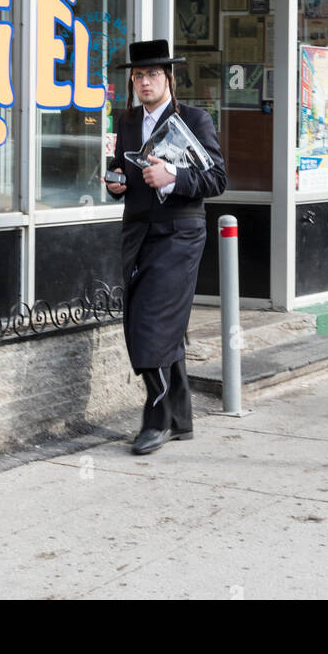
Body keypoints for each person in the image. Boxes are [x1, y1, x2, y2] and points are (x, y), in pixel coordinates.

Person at [104, 38, 227, 455]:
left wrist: (174, 177)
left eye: (153, 74)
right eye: (138, 75)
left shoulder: (195, 118)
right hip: (137, 233)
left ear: (169, 78)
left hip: (180, 234)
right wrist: (116, 182)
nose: (144, 81)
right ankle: (181, 420)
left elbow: (216, 180)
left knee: (150, 324)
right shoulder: (125, 122)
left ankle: (155, 420)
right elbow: (123, 172)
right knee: (153, 324)